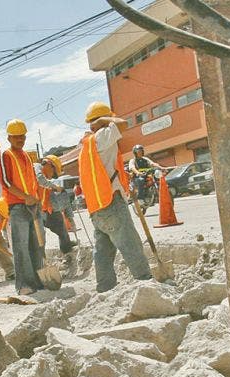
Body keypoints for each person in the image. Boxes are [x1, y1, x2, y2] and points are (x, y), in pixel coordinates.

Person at [78, 102, 153, 292]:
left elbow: (108, 171)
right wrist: (106, 118)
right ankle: (145, 281)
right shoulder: (102, 136)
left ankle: (105, 287)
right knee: (130, 243)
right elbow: (122, 124)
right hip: (111, 202)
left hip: (97, 207)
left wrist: (126, 188)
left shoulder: (86, 146)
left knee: (103, 250)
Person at [0, 118, 46, 295]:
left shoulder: (26, 155)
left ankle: (39, 280)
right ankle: (24, 285)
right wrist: (24, 197)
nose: (21, 139)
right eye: (17, 136)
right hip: (18, 208)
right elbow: (5, 181)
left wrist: (35, 197)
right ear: (9, 138)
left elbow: (32, 180)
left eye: (23, 136)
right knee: (21, 247)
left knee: (37, 245)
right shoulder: (6, 155)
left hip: (32, 205)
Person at [36, 155, 76, 255]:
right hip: (33, 209)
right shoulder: (36, 167)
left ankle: (66, 250)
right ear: (49, 165)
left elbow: (49, 193)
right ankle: (41, 261)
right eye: (54, 173)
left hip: (45, 208)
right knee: (39, 237)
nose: (52, 176)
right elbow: (41, 180)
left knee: (61, 227)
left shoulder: (47, 179)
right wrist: (55, 187)